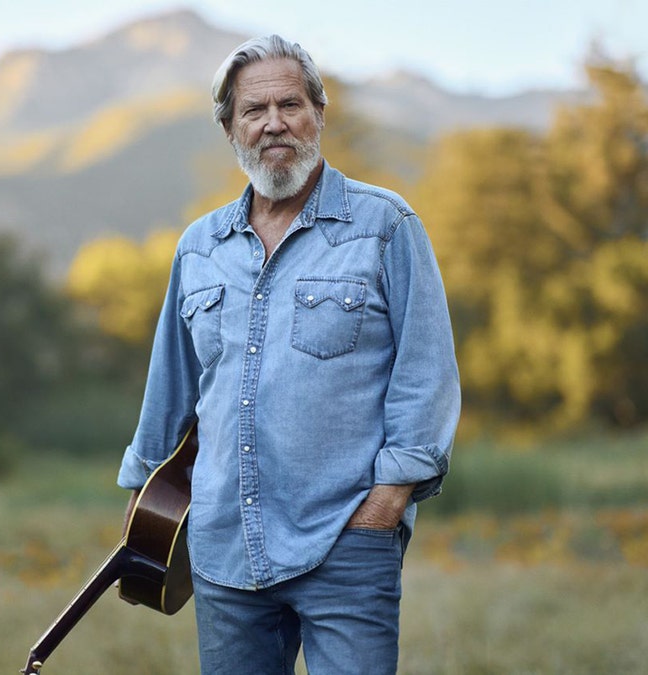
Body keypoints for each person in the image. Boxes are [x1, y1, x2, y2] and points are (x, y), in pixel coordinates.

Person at [117, 35, 460, 674]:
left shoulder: (385, 226)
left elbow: (426, 374)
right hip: (222, 548)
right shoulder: (200, 248)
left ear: (319, 114)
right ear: (230, 129)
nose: (274, 122)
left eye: (290, 104)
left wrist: (387, 503)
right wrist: (144, 506)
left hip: (347, 542)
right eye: (254, 110)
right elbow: (169, 389)